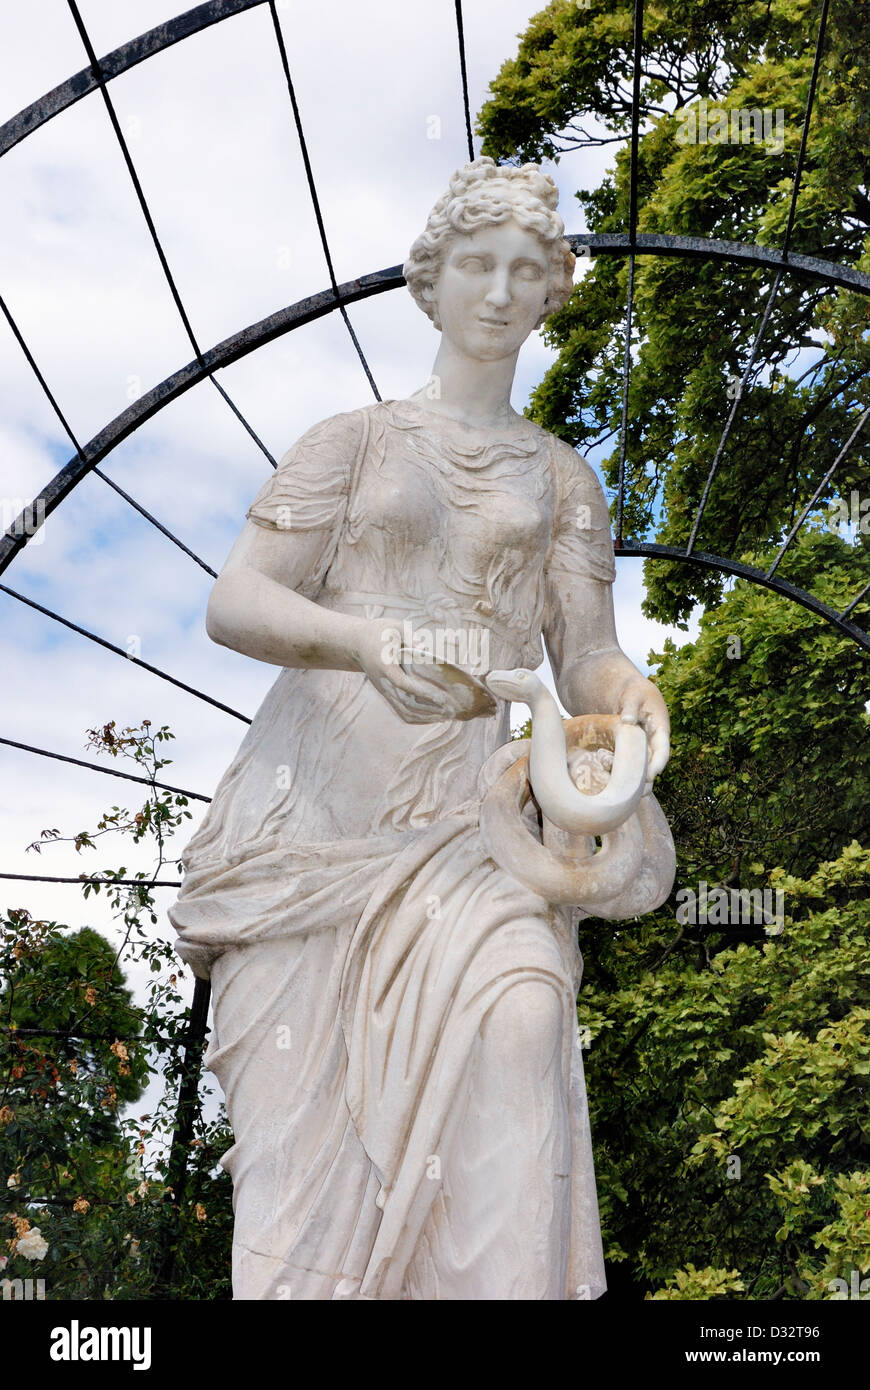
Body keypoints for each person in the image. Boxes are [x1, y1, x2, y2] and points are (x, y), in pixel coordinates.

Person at [169, 156, 670, 1300]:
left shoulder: (564, 482)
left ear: (553, 291)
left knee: (524, 1015)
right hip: (309, 831)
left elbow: (585, 655)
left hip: (466, 834)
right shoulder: (349, 441)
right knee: (300, 1178)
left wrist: (628, 692)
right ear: (430, 282)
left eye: (526, 270)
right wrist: (363, 641)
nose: (498, 291)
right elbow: (236, 600)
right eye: (477, 265)